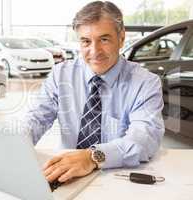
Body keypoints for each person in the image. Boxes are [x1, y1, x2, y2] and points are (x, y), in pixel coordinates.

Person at [23, 1, 165, 184]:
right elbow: (37, 118)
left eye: (104, 39)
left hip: (115, 177)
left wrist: (92, 157)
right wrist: (17, 145)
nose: (94, 51)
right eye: (86, 41)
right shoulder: (61, 74)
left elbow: (143, 139)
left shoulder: (145, 83)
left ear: (121, 38)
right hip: (66, 175)